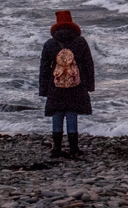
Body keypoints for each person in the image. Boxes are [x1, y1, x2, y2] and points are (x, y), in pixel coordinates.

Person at [38, 10, 95, 158]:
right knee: (71, 113)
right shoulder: (81, 42)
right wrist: (89, 85)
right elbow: (88, 64)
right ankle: (74, 148)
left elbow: (44, 68)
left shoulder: (50, 44)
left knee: (57, 114)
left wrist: (44, 89)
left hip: (55, 85)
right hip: (76, 84)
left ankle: (56, 148)